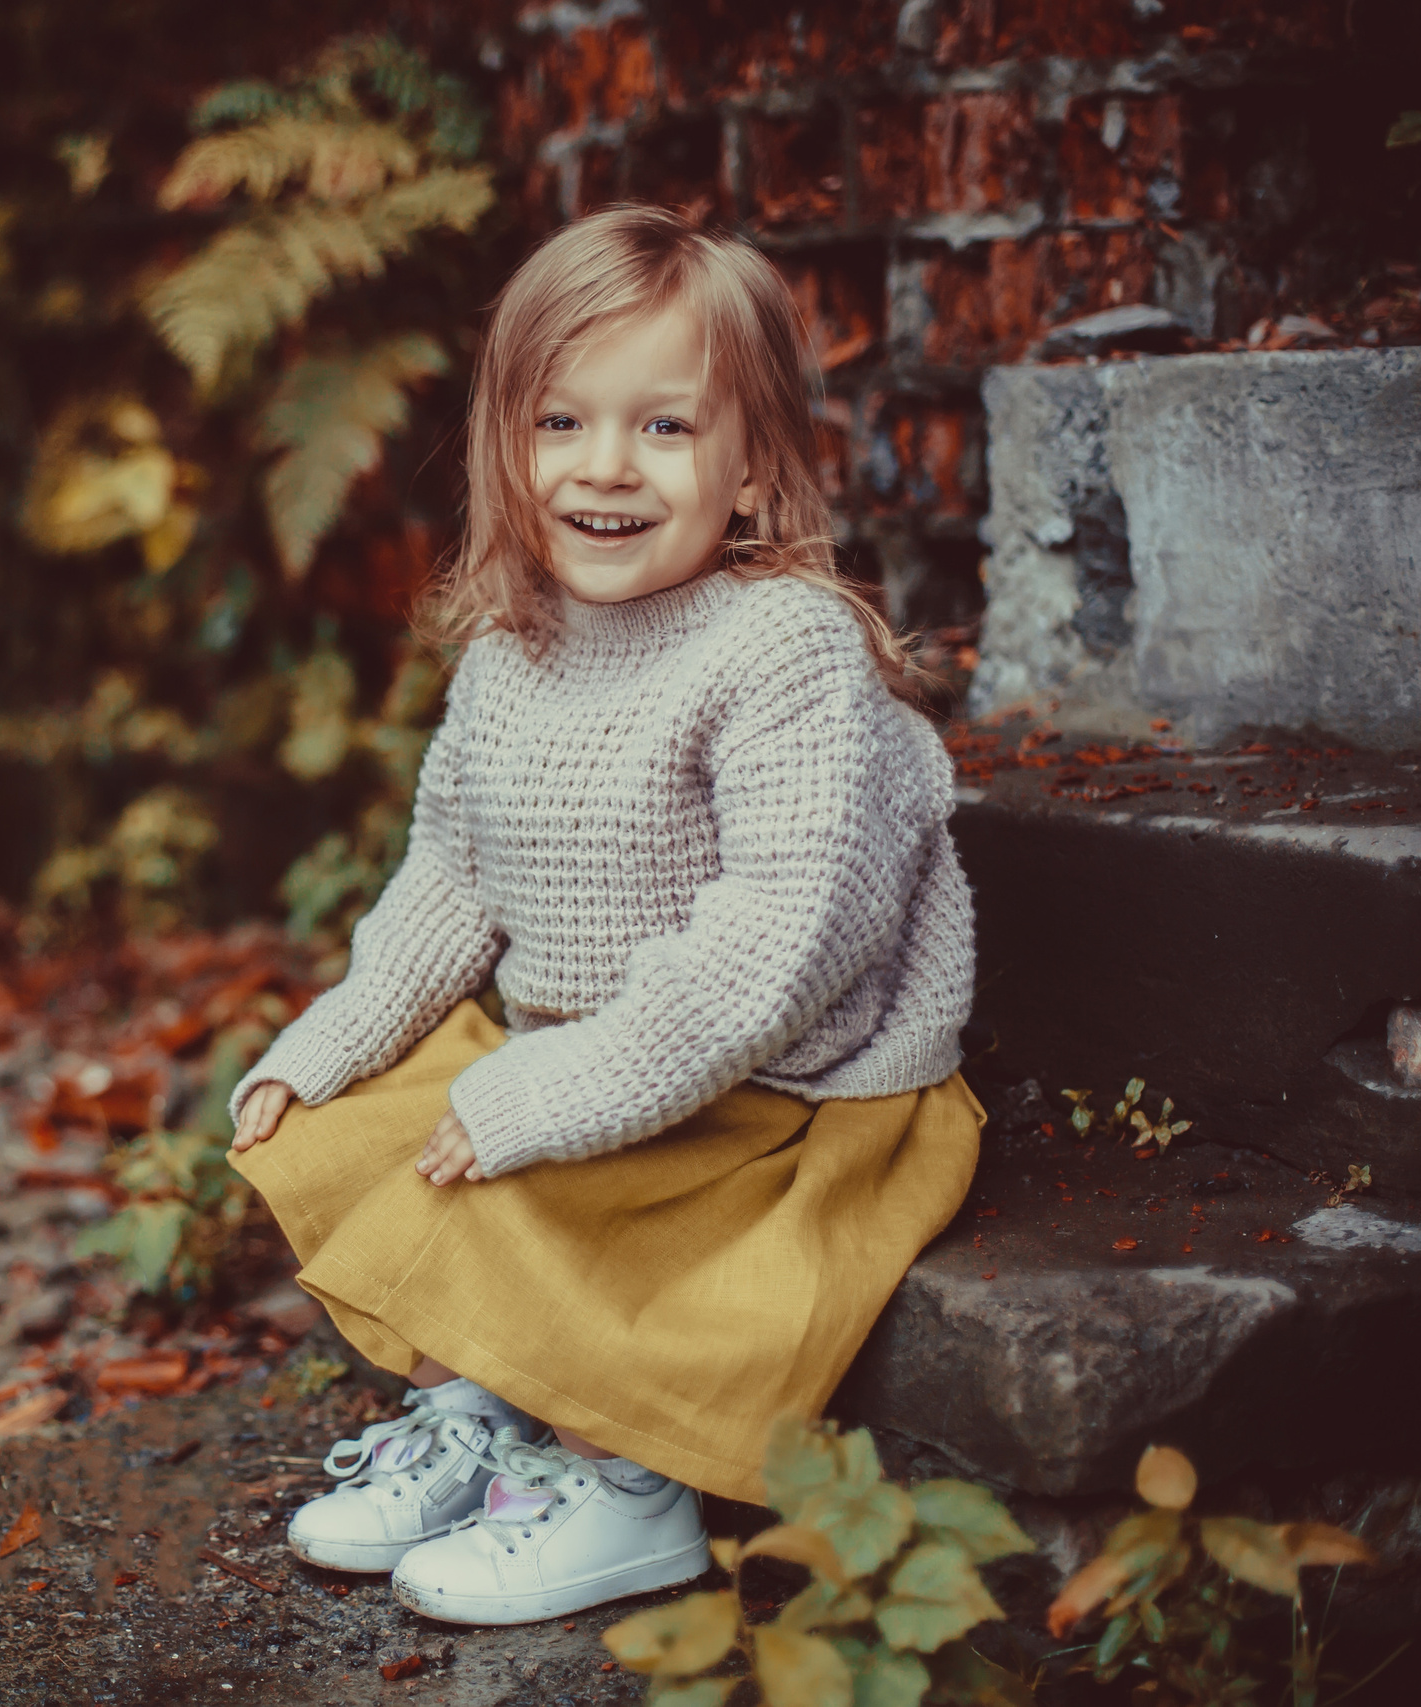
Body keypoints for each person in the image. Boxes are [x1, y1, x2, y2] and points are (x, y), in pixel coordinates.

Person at [224, 204, 982, 1628]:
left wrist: (554, 1088)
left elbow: (776, 949)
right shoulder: (518, 653)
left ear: (752, 471)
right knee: (361, 1127)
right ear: (504, 449)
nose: (605, 468)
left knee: (521, 1177)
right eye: (560, 421)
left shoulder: (787, 653)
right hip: (606, 1056)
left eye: (667, 430)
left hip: (779, 1088)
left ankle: (628, 1490)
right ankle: (486, 1418)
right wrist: (333, 1038)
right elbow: (449, 880)